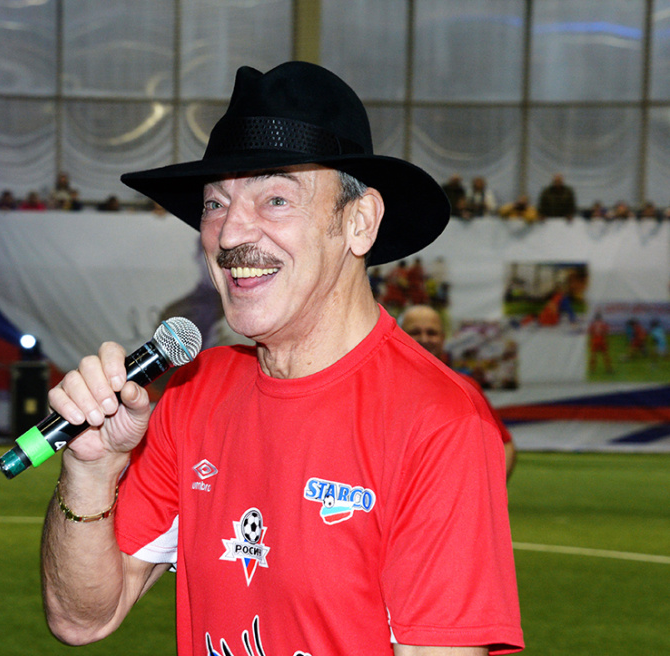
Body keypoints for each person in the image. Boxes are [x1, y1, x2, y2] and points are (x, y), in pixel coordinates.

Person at [40, 61, 523, 655]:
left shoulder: (439, 420)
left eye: (274, 199)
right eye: (214, 204)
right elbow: (81, 619)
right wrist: (90, 472)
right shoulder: (195, 392)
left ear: (359, 222)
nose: (230, 233)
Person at [400, 305, 517, 481]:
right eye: (415, 332)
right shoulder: (379, 386)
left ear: (442, 338)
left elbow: (504, 444)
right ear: (398, 336)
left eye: (432, 333)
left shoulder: (465, 387)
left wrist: (492, 488)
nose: (424, 339)